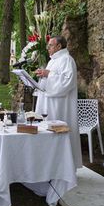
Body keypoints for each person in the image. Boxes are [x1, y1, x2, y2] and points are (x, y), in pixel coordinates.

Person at [35, 35, 83, 169]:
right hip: (48, 103)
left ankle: (62, 167)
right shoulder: (53, 61)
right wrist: (42, 76)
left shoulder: (67, 60)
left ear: (59, 46)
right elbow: (50, 77)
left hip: (60, 106)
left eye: (50, 45)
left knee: (57, 132)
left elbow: (67, 81)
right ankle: (48, 165)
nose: (48, 47)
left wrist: (48, 74)